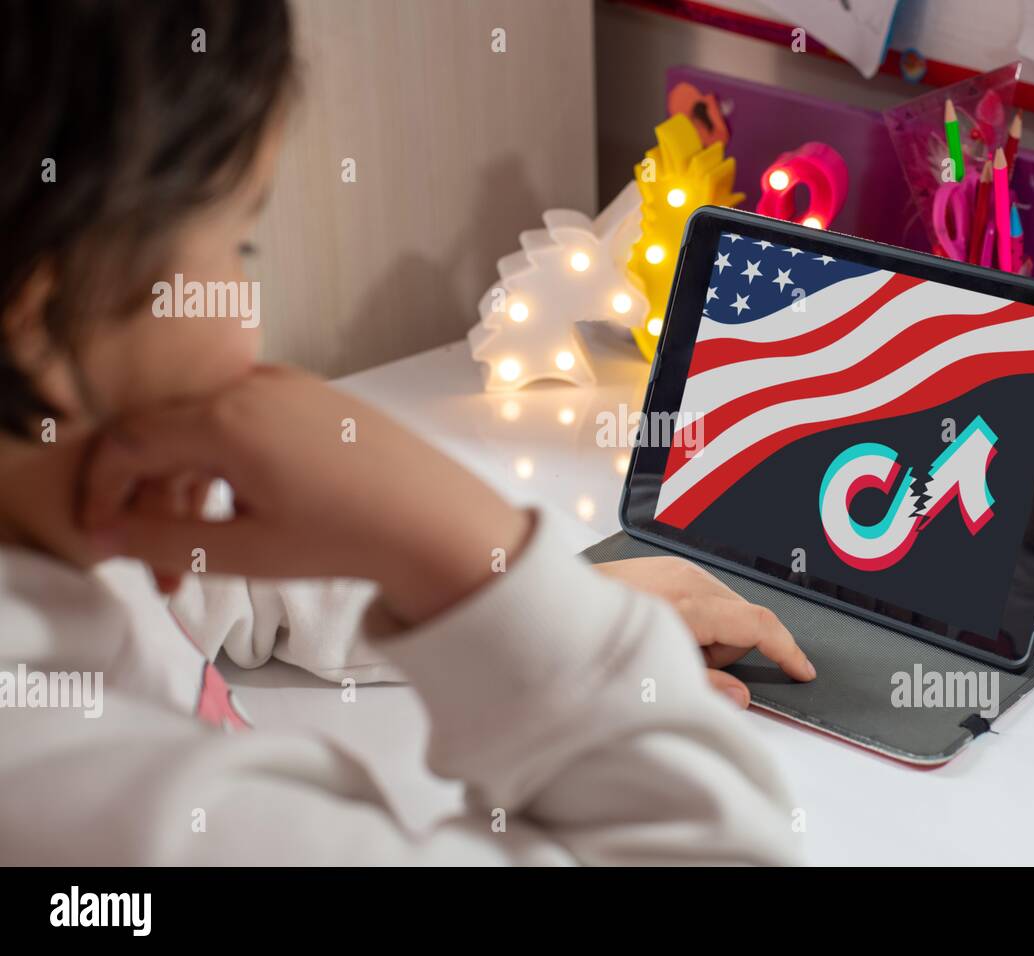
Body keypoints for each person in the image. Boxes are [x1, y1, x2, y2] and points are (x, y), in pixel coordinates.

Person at [0, 0, 814, 865]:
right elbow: (713, 847)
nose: (245, 319)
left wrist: (506, 601)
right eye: (241, 246)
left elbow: (210, 583)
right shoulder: (84, 807)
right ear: (42, 314)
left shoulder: (74, 534)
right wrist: (470, 552)